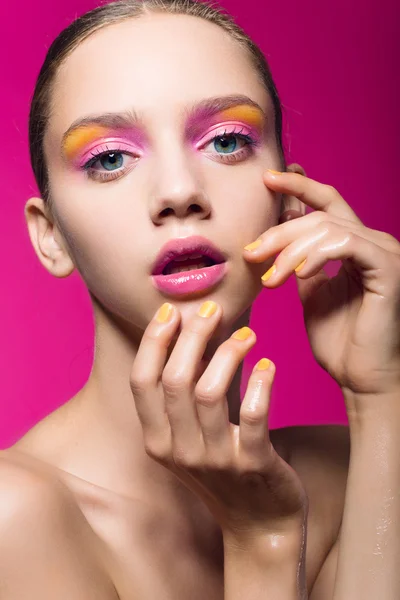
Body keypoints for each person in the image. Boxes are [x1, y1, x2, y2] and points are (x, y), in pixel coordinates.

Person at [1, 0, 399, 598]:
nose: (181, 191)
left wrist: (381, 395)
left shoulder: (359, 471)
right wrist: (263, 543)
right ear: (50, 236)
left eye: (227, 142)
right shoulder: (16, 521)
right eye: (109, 159)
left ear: (289, 204)